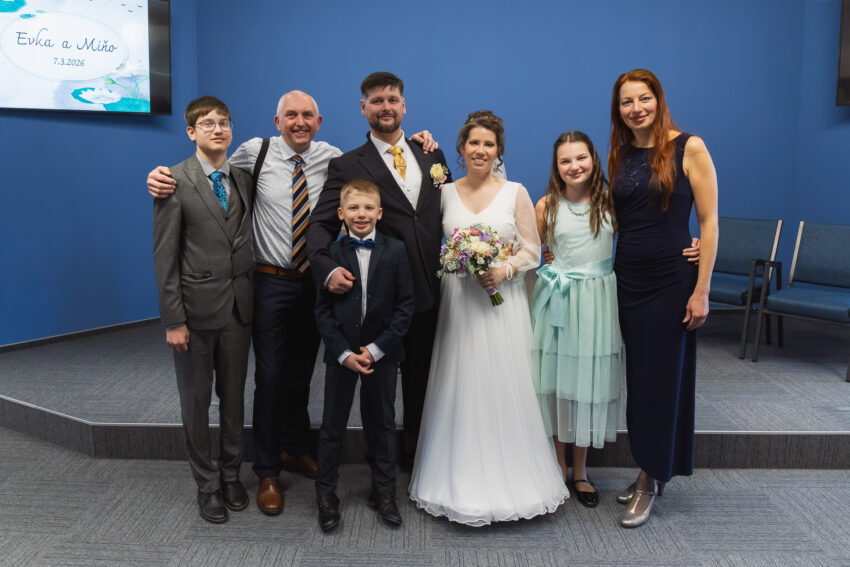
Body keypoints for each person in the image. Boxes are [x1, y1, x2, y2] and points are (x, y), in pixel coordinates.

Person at [147, 91, 437, 515]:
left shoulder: (332, 158)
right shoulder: (254, 153)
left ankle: (295, 448)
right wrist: (159, 175)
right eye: (291, 115)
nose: (299, 122)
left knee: (302, 374)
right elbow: (207, 172)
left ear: (319, 121)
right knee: (270, 377)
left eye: (307, 116)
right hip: (269, 282)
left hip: (315, 282)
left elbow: (379, 165)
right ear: (277, 120)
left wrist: (416, 143)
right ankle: (266, 469)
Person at [407, 110, 568, 526]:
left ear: (499, 151)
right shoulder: (444, 192)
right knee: (459, 381)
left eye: (489, 144)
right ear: (461, 149)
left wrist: (504, 269)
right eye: (474, 143)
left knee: (503, 382)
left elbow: (532, 251)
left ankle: (513, 476)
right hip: (459, 303)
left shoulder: (515, 192)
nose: (481, 150)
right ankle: (455, 477)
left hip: (502, 304)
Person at [307, 72, 452, 471]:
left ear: (403, 105)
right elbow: (320, 224)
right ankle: (379, 468)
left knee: (422, 381)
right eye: (376, 101)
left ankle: (416, 460)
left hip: (429, 293)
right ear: (363, 108)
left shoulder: (432, 155)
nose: (385, 107)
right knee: (378, 391)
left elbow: (448, 210)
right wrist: (326, 268)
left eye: (392, 100)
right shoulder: (346, 164)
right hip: (377, 300)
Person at [608, 69, 718, 528]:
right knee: (639, 379)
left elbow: (709, 222)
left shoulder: (689, 147)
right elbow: (611, 219)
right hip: (627, 279)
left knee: (662, 380)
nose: (636, 108)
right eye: (627, 102)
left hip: (672, 281)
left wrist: (702, 290)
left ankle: (649, 479)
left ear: (658, 100)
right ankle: (649, 467)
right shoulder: (620, 153)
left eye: (644, 98)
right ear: (618, 110)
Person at [152, 96, 254, 523]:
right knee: (195, 403)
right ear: (191, 132)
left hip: (238, 311)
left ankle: (231, 474)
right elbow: (165, 257)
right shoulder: (172, 181)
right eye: (208, 123)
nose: (218, 129)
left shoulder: (243, 178)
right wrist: (174, 320)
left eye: (224, 122)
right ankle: (207, 484)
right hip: (193, 315)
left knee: (234, 400)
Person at [313, 180, 415, 532]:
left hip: (382, 354)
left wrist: (375, 349)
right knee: (332, 424)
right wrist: (343, 352)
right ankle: (326, 493)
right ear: (341, 213)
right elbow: (322, 311)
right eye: (354, 208)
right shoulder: (330, 254)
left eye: (368, 208)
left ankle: (384, 491)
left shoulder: (397, 250)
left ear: (380, 213)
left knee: (382, 423)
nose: (361, 214)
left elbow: (405, 306)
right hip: (341, 354)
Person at [530, 131, 623, 508]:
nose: (574, 166)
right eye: (565, 161)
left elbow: (644, 238)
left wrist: (692, 243)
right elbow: (529, 251)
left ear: (593, 160)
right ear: (556, 167)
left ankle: (581, 471)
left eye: (580, 158)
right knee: (557, 381)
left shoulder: (610, 202)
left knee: (587, 380)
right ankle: (557, 464)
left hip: (596, 302)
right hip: (557, 300)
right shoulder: (546, 205)